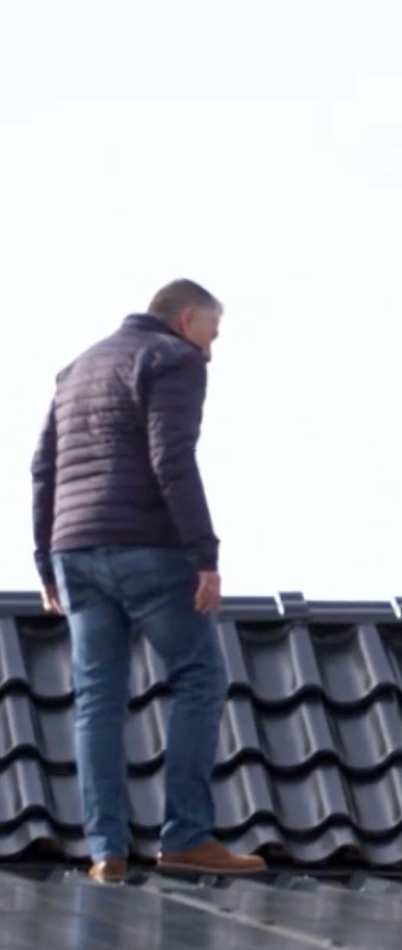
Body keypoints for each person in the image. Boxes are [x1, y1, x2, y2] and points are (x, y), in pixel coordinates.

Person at [30, 279, 266, 884]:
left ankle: (106, 851)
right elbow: (171, 458)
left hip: (74, 550)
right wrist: (205, 556)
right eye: (212, 335)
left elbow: (42, 467)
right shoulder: (173, 359)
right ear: (188, 320)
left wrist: (44, 560)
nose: (211, 352)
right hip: (146, 548)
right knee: (199, 675)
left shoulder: (76, 368)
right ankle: (186, 837)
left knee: (97, 701)